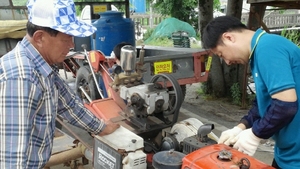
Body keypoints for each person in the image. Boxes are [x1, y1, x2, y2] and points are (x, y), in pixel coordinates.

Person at [0, 0, 120, 168]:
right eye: (66, 39)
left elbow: (69, 104)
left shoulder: (42, 64)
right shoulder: (21, 78)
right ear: (40, 37)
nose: (71, 45)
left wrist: (101, 128)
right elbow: (11, 159)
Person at [202, 16, 300, 169]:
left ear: (228, 37)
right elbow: (264, 103)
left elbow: (285, 105)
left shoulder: (268, 48)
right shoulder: (258, 53)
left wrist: (255, 134)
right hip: (287, 153)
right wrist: (241, 127)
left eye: (221, 54)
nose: (227, 62)